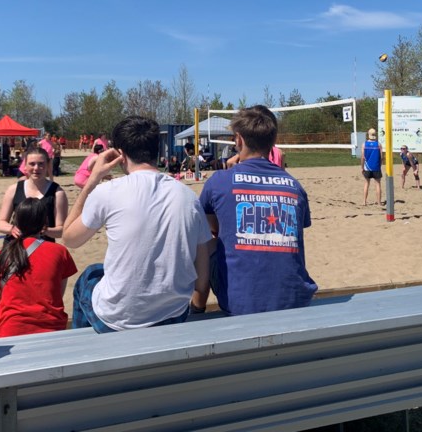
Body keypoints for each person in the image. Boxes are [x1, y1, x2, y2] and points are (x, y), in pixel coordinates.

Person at [62, 116, 213, 333]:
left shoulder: (108, 192)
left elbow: (69, 238)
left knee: (88, 277)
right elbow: (202, 265)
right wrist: (197, 307)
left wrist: (92, 180)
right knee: (100, 271)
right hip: (173, 313)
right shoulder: (188, 197)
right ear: (157, 149)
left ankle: (85, 350)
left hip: (117, 319)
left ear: (120, 154)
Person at [195, 105, 318, 316]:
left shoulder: (219, 181)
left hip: (239, 302)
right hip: (294, 299)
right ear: (273, 141)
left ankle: (197, 305)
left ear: (239, 139)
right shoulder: (294, 185)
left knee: (209, 241)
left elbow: (212, 227)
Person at [0, 198, 78, 338]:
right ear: (44, 222)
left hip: (9, 329)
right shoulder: (59, 252)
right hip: (51, 328)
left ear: (16, 223)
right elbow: (57, 294)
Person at [0, 145, 67, 242]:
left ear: (47, 165)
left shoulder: (58, 193)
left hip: (43, 246)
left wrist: (44, 230)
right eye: (32, 164)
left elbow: (61, 230)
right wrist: (12, 229)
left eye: (41, 164)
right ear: (25, 166)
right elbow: (1, 223)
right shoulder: (13, 189)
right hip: (15, 246)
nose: (36, 168)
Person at [361, 128, 382, 206]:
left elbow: (363, 157)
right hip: (376, 167)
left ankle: (364, 201)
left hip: (367, 167)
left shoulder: (364, 144)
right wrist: (379, 165)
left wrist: (362, 167)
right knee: (378, 184)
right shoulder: (378, 144)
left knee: (366, 183)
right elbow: (381, 157)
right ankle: (379, 202)